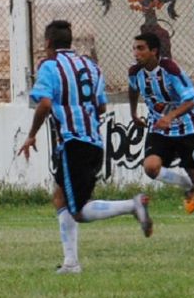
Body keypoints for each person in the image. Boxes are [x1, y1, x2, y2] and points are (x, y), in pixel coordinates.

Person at [19, 20, 153, 274]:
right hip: (93, 141)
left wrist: (31, 135)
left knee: (77, 210)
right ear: (69, 41)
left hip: (73, 143)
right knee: (60, 197)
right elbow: (101, 107)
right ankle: (70, 262)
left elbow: (45, 104)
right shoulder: (92, 67)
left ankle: (132, 205)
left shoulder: (49, 66)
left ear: (47, 43)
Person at [129, 32, 194, 229]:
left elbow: (190, 100)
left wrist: (169, 117)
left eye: (141, 48)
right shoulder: (135, 72)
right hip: (159, 128)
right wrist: (134, 113)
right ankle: (185, 185)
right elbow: (133, 89)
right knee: (151, 167)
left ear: (154, 51)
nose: (136, 53)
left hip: (187, 126)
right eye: (134, 48)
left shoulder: (170, 69)